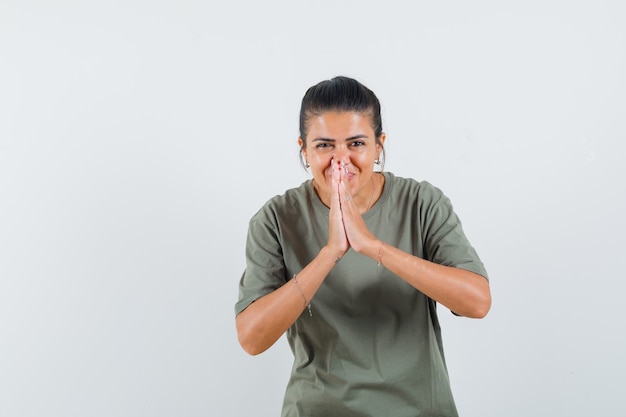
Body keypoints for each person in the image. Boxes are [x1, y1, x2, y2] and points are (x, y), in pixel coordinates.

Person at [235, 76, 491, 417]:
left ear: (378, 145)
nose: (341, 160)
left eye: (356, 143)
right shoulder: (275, 219)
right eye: (324, 146)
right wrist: (330, 253)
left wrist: (372, 246)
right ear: (304, 149)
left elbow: (477, 302)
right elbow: (252, 338)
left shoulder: (422, 202)